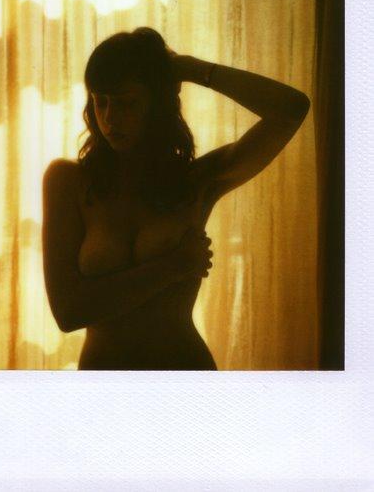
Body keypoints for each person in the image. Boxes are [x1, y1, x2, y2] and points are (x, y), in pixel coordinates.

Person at [42, 27, 310, 370]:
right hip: (104, 383)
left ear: (156, 105)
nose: (109, 118)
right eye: (100, 101)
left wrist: (189, 68)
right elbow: (69, 312)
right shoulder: (69, 182)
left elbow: (291, 109)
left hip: (185, 375)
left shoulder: (196, 181)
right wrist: (174, 266)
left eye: (127, 103)